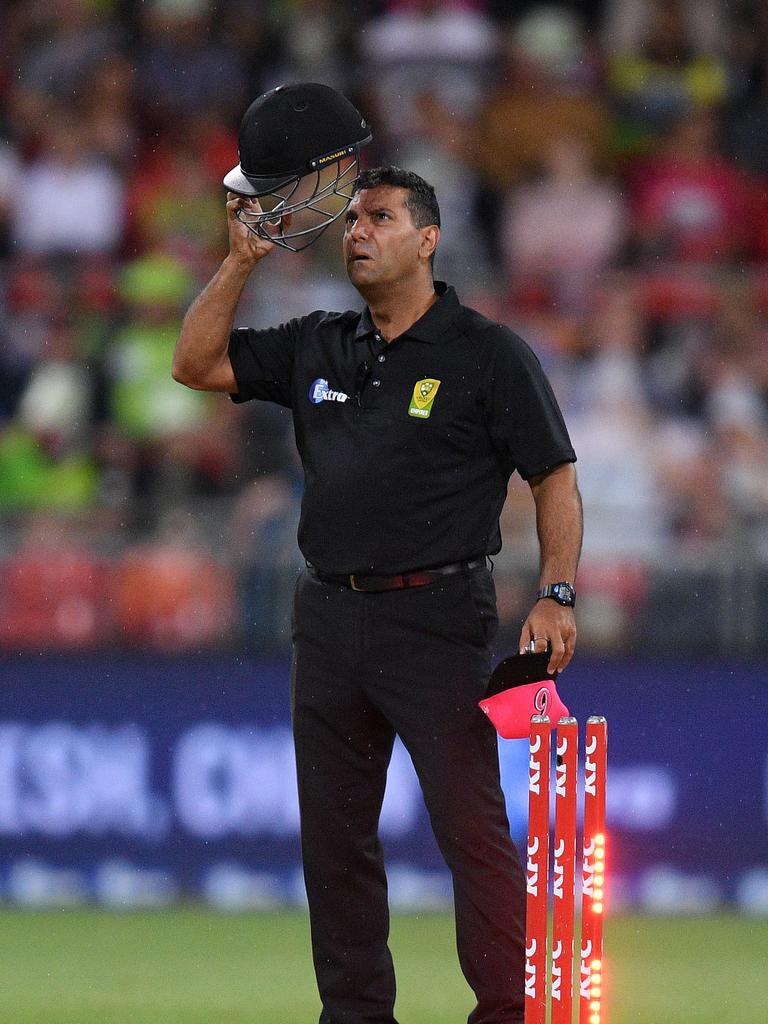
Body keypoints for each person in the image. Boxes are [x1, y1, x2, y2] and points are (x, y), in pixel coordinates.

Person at [172, 164, 582, 1024]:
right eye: (353, 218)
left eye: (381, 217)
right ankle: (355, 1016)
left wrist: (557, 591)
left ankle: (510, 1013)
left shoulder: (486, 352)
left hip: (436, 620)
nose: (356, 230)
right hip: (326, 616)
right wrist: (242, 258)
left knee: (470, 834)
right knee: (334, 842)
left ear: (428, 240)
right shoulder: (321, 340)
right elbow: (195, 363)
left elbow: (554, 476)